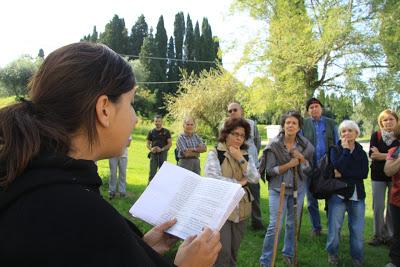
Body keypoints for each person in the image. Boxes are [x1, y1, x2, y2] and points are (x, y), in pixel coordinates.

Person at [0, 42, 221, 267]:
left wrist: (139, 249)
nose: (135, 119)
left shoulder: (30, 178)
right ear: (104, 109)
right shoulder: (80, 214)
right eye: (131, 103)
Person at [259, 110, 314, 267]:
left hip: (299, 188)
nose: (290, 125)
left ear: (299, 127)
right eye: (287, 122)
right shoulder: (274, 146)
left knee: (293, 223)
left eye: (294, 123)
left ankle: (288, 254)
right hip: (278, 189)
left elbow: (309, 169)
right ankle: (266, 260)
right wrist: (288, 165)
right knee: (275, 225)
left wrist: (302, 158)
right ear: (283, 126)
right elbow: (270, 171)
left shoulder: (305, 146)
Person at [204, 117, 260, 267]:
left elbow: (255, 178)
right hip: (220, 210)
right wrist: (239, 183)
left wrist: (240, 158)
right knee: (222, 253)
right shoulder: (215, 153)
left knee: (234, 252)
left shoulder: (245, 155)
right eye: (235, 134)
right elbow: (212, 179)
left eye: (242, 135)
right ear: (226, 134)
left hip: (241, 210)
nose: (239, 138)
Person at [326, 120, 368, 267]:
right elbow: (335, 168)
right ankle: (332, 255)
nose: (346, 133)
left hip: (357, 195)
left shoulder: (361, 152)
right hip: (338, 194)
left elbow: (363, 173)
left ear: (356, 133)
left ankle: (357, 259)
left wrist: (343, 172)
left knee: (357, 229)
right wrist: (345, 151)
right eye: (343, 131)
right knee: (334, 228)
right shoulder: (334, 149)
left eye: (350, 130)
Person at [302, 97, 339, 236]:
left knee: (331, 198)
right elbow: (300, 144)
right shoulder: (303, 124)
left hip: (328, 168)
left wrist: (335, 165)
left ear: (321, 108)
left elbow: (337, 144)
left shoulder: (331, 123)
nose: (314, 109)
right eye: (311, 108)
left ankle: (331, 228)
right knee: (311, 200)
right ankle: (316, 227)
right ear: (308, 111)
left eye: (316, 106)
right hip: (309, 167)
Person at [227, 102, 263, 230]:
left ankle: (257, 222)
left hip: (249, 164)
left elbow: (257, 142)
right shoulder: (226, 126)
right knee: (234, 194)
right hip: (232, 165)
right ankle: (234, 220)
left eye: (234, 110)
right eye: (230, 111)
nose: (232, 113)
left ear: (241, 110)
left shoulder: (252, 124)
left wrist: (251, 156)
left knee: (254, 193)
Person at [368, 109, 399, 246]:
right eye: (384, 120)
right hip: (377, 176)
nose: (388, 122)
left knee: (391, 207)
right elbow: (372, 155)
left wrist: (382, 154)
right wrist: (390, 156)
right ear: (381, 122)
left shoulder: (399, 136)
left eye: (391, 119)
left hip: (395, 176)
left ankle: (390, 236)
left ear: (396, 121)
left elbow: (395, 157)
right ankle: (378, 235)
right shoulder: (376, 135)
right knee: (378, 206)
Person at [384, 123, 400, 267]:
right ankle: (395, 261)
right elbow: (388, 171)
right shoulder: (394, 151)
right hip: (397, 200)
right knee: (398, 233)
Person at [147, 115, 172, 182]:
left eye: (159, 121)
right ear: (154, 122)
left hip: (163, 154)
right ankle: (149, 190)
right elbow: (147, 144)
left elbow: (170, 144)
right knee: (152, 173)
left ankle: (162, 190)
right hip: (153, 154)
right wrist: (151, 149)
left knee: (162, 173)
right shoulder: (151, 132)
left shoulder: (166, 132)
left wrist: (162, 149)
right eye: (156, 121)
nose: (157, 123)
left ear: (161, 122)